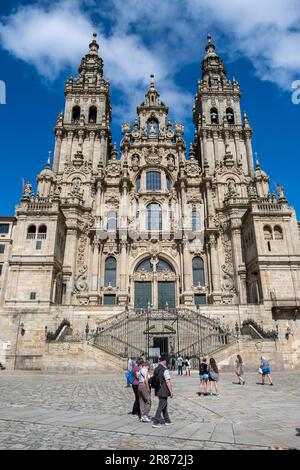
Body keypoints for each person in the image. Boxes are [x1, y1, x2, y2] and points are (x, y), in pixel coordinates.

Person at [152, 356, 174, 428]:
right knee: (161, 405)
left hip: (158, 389)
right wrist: (171, 391)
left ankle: (167, 420)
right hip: (164, 390)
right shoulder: (165, 370)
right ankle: (156, 422)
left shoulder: (156, 369)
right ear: (164, 361)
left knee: (164, 404)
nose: (166, 362)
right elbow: (168, 381)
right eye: (166, 361)